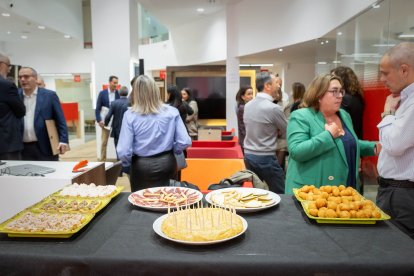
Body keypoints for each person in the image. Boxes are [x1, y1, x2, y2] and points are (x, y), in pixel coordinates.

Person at [285, 74, 377, 194]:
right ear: (318, 94)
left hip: (345, 187)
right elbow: (297, 151)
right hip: (312, 192)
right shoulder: (301, 116)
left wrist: (373, 147)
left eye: (341, 91)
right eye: (334, 91)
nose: (340, 96)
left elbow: (346, 142)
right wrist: (328, 136)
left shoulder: (344, 115)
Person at [117, 75, 191, 192]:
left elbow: (123, 151)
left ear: (136, 93)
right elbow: (185, 141)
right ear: (156, 90)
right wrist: (173, 150)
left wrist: (129, 163)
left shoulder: (130, 115)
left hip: (141, 166)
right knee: (169, 200)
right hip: (168, 163)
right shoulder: (172, 112)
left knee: (141, 201)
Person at [376, 42, 414, 239]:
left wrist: (387, 113)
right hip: (396, 193)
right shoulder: (406, 98)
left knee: (396, 256)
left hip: (402, 196)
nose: (382, 79)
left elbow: (395, 144)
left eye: (385, 73)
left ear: (404, 70)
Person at [243, 72, 287, 194]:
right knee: (282, 193)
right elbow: (287, 130)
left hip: (248, 156)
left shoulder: (248, 105)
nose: (279, 86)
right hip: (265, 157)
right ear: (267, 86)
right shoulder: (273, 108)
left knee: (256, 194)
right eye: (276, 83)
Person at [18, 67, 69, 161]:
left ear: (35, 78)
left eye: (26, 77)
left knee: (50, 174)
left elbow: (60, 120)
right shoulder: (16, 95)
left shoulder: (49, 96)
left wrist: (63, 140)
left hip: (45, 146)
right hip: (22, 148)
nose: (22, 80)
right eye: (20, 77)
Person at [0, 53, 25, 160]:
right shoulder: (6, 85)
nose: (9, 70)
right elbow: (21, 111)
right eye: (9, 66)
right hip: (6, 144)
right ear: (2, 65)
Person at [331, 66, 364, 139]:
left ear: (341, 79)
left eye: (334, 77)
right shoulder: (357, 96)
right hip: (356, 135)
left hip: (347, 137)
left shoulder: (344, 99)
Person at [95, 75, 120, 161]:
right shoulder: (102, 93)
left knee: (117, 143)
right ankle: (102, 161)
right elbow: (97, 108)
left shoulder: (118, 93)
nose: (116, 84)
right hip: (105, 122)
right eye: (114, 83)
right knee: (104, 142)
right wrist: (99, 120)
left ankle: (119, 161)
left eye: (117, 83)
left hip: (115, 122)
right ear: (109, 82)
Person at [104, 86, 129, 154]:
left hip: (116, 129)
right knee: (128, 146)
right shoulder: (131, 103)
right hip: (128, 129)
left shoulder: (114, 103)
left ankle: (119, 162)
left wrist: (106, 124)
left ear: (119, 93)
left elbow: (108, 116)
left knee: (118, 147)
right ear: (127, 93)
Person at [235, 85, 253, 151]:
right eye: (249, 94)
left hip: (247, 141)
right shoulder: (242, 108)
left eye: (252, 94)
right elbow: (243, 128)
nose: (251, 96)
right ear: (243, 97)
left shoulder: (246, 106)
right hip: (246, 141)